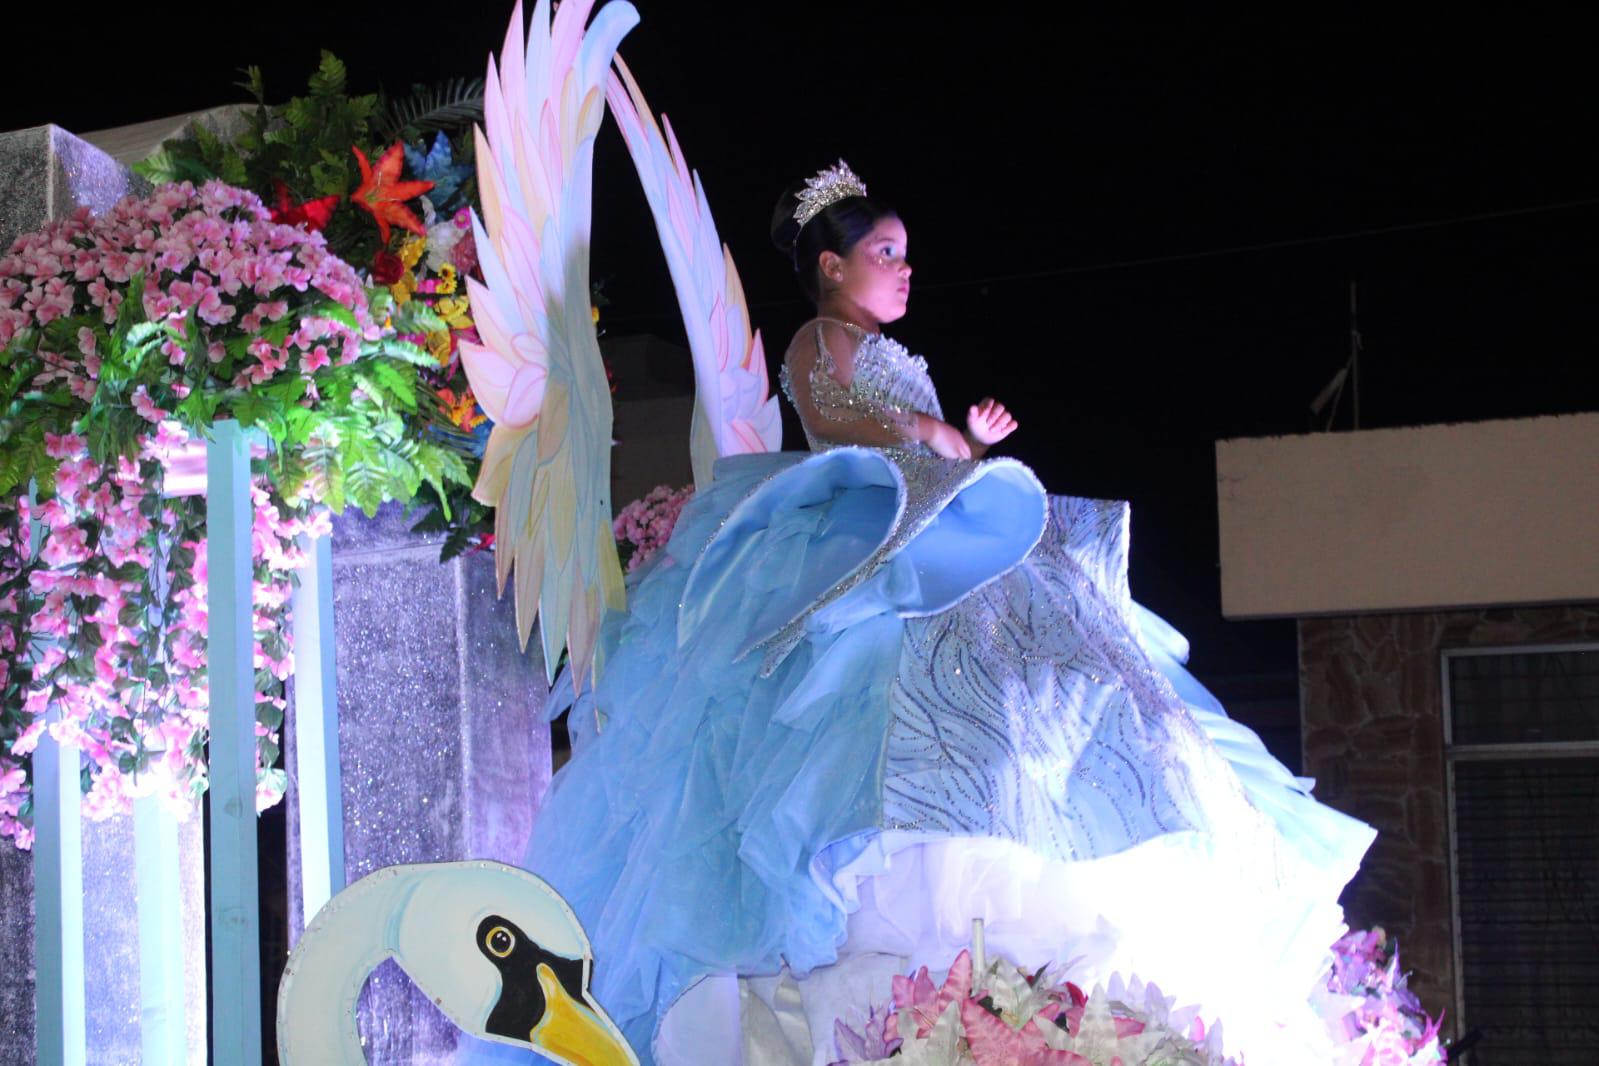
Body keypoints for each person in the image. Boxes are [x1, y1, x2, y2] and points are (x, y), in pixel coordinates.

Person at [511, 161, 1375, 1066]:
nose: (904, 268)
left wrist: (967, 440)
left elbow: (935, 450)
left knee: (1043, 675)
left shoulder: (891, 354)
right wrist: (926, 433)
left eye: (905, 254)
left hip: (931, 519)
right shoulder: (818, 337)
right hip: (866, 528)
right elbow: (833, 417)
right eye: (884, 252)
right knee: (865, 691)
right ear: (833, 267)